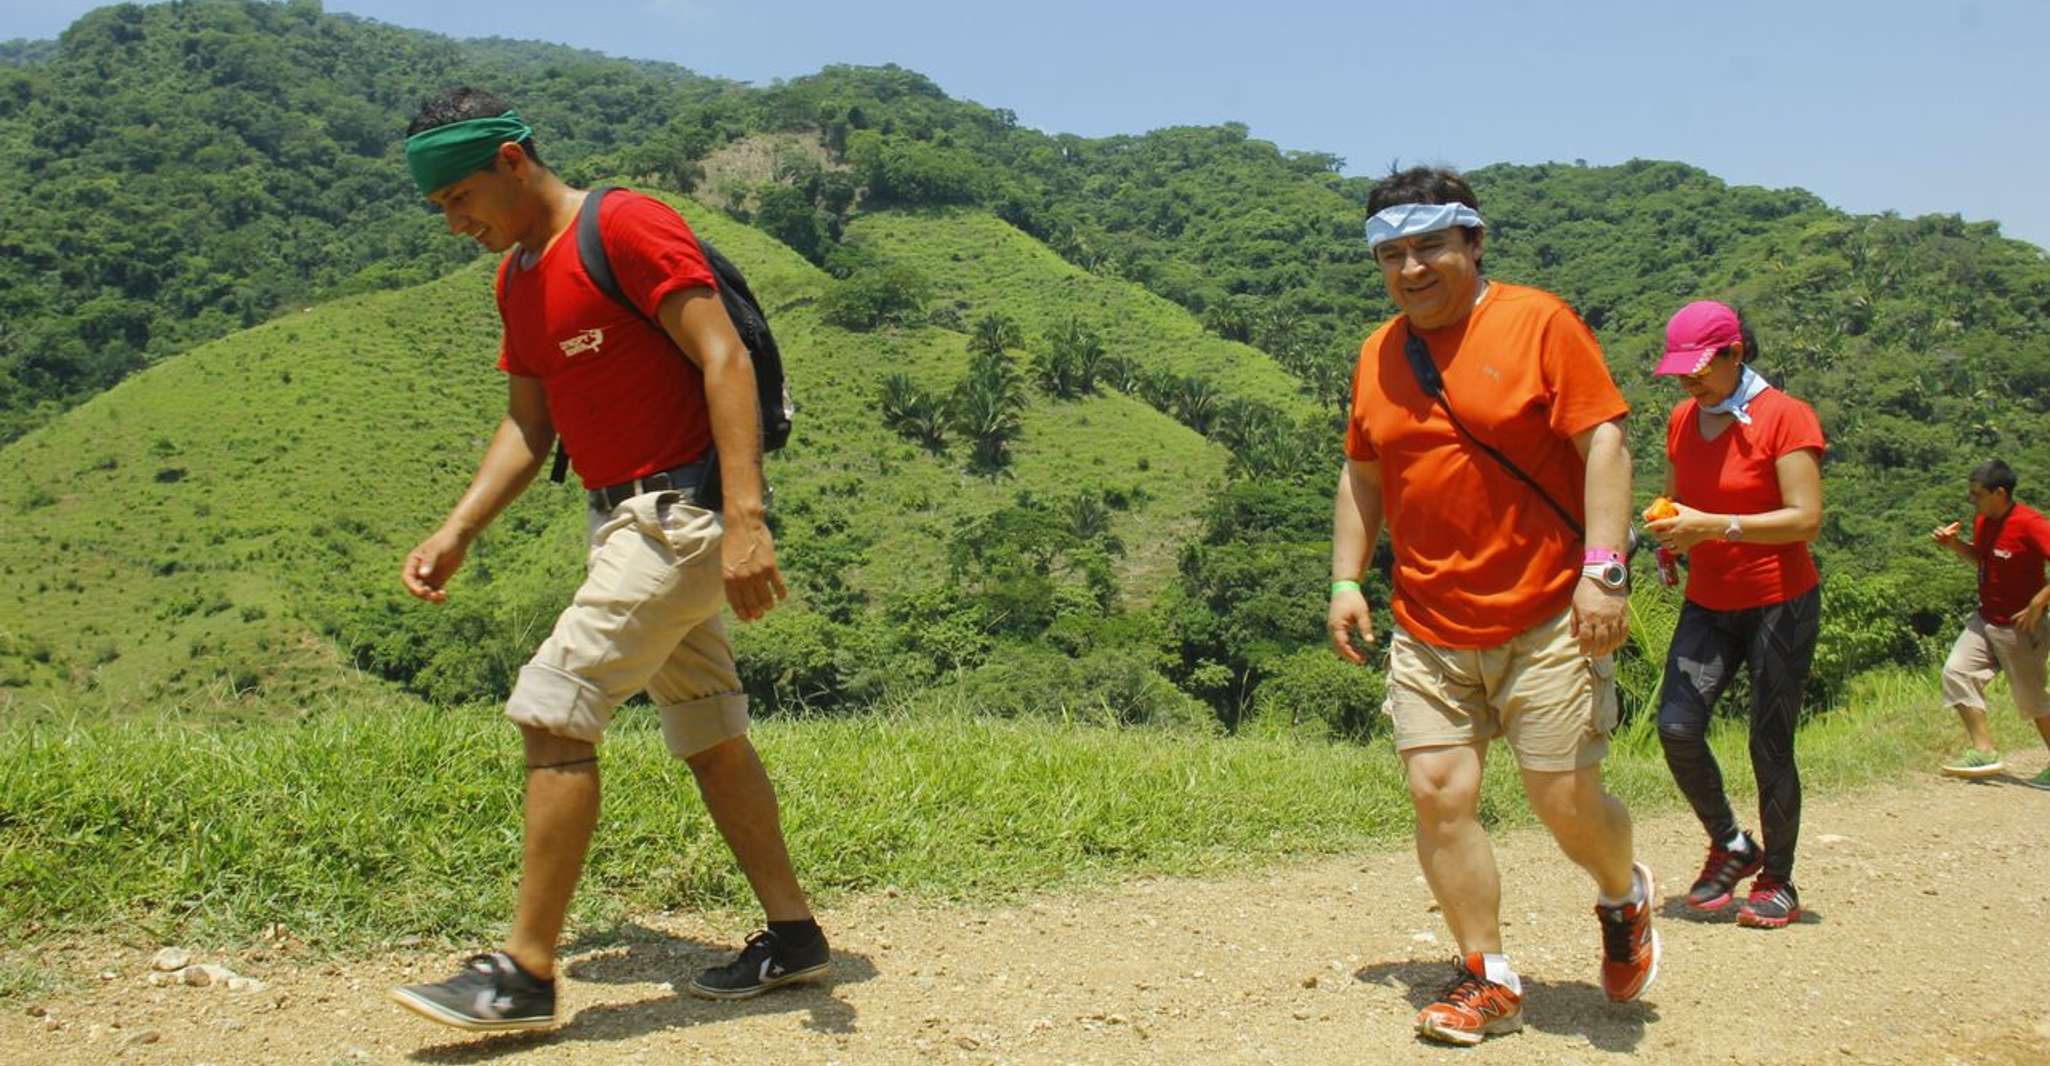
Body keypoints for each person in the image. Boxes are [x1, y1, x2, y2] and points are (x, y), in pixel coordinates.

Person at [386, 88, 826, 1033]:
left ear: (512, 160)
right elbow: (528, 423)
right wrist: (458, 529)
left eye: (460, 198)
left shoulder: (625, 226)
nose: (456, 222)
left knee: (554, 710)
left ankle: (525, 972)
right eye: (441, 210)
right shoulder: (519, 278)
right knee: (708, 727)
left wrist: (746, 518)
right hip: (619, 521)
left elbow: (725, 360)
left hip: (679, 517)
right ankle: (793, 938)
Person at [1327, 166, 1656, 1047]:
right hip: (1431, 622)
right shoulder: (1377, 353)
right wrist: (1347, 579)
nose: (1412, 267)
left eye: (1430, 245)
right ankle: (1487, 977)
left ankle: (1623, 895)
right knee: (1439, 794)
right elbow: (1364, 474)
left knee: (1563, 800)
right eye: (1392, 253)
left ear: (1472, 243)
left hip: (1551, 613)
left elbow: (1605, 442)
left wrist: (1604, 570)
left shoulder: (1539, 322)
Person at [1643, 301, 1825, 929]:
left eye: (1700, 368)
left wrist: (1715, 526)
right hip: (1709, 601)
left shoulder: (1784, 417)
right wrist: (1671, 528)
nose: (1689, 381)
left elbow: (1805, 518)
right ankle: (1730, 843)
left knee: (1769, 743)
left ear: (1735, 354)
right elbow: (1681, 500)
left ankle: (1778, 878)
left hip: (1780, 601)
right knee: (1677, 726)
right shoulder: (1682, 420)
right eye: (1681, 371)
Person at [1930, 459, 2050, 787]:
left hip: (2021, 626)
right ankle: (1984, 751)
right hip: (1987, 617)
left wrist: (2038, 603)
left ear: (2000, 493)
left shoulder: (2030, 523)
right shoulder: (1984, 519)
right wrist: (1953, 545)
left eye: (1977, 494)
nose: (1972, 501)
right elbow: (1981, 559)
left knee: (2031, 699)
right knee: (1956, 673)